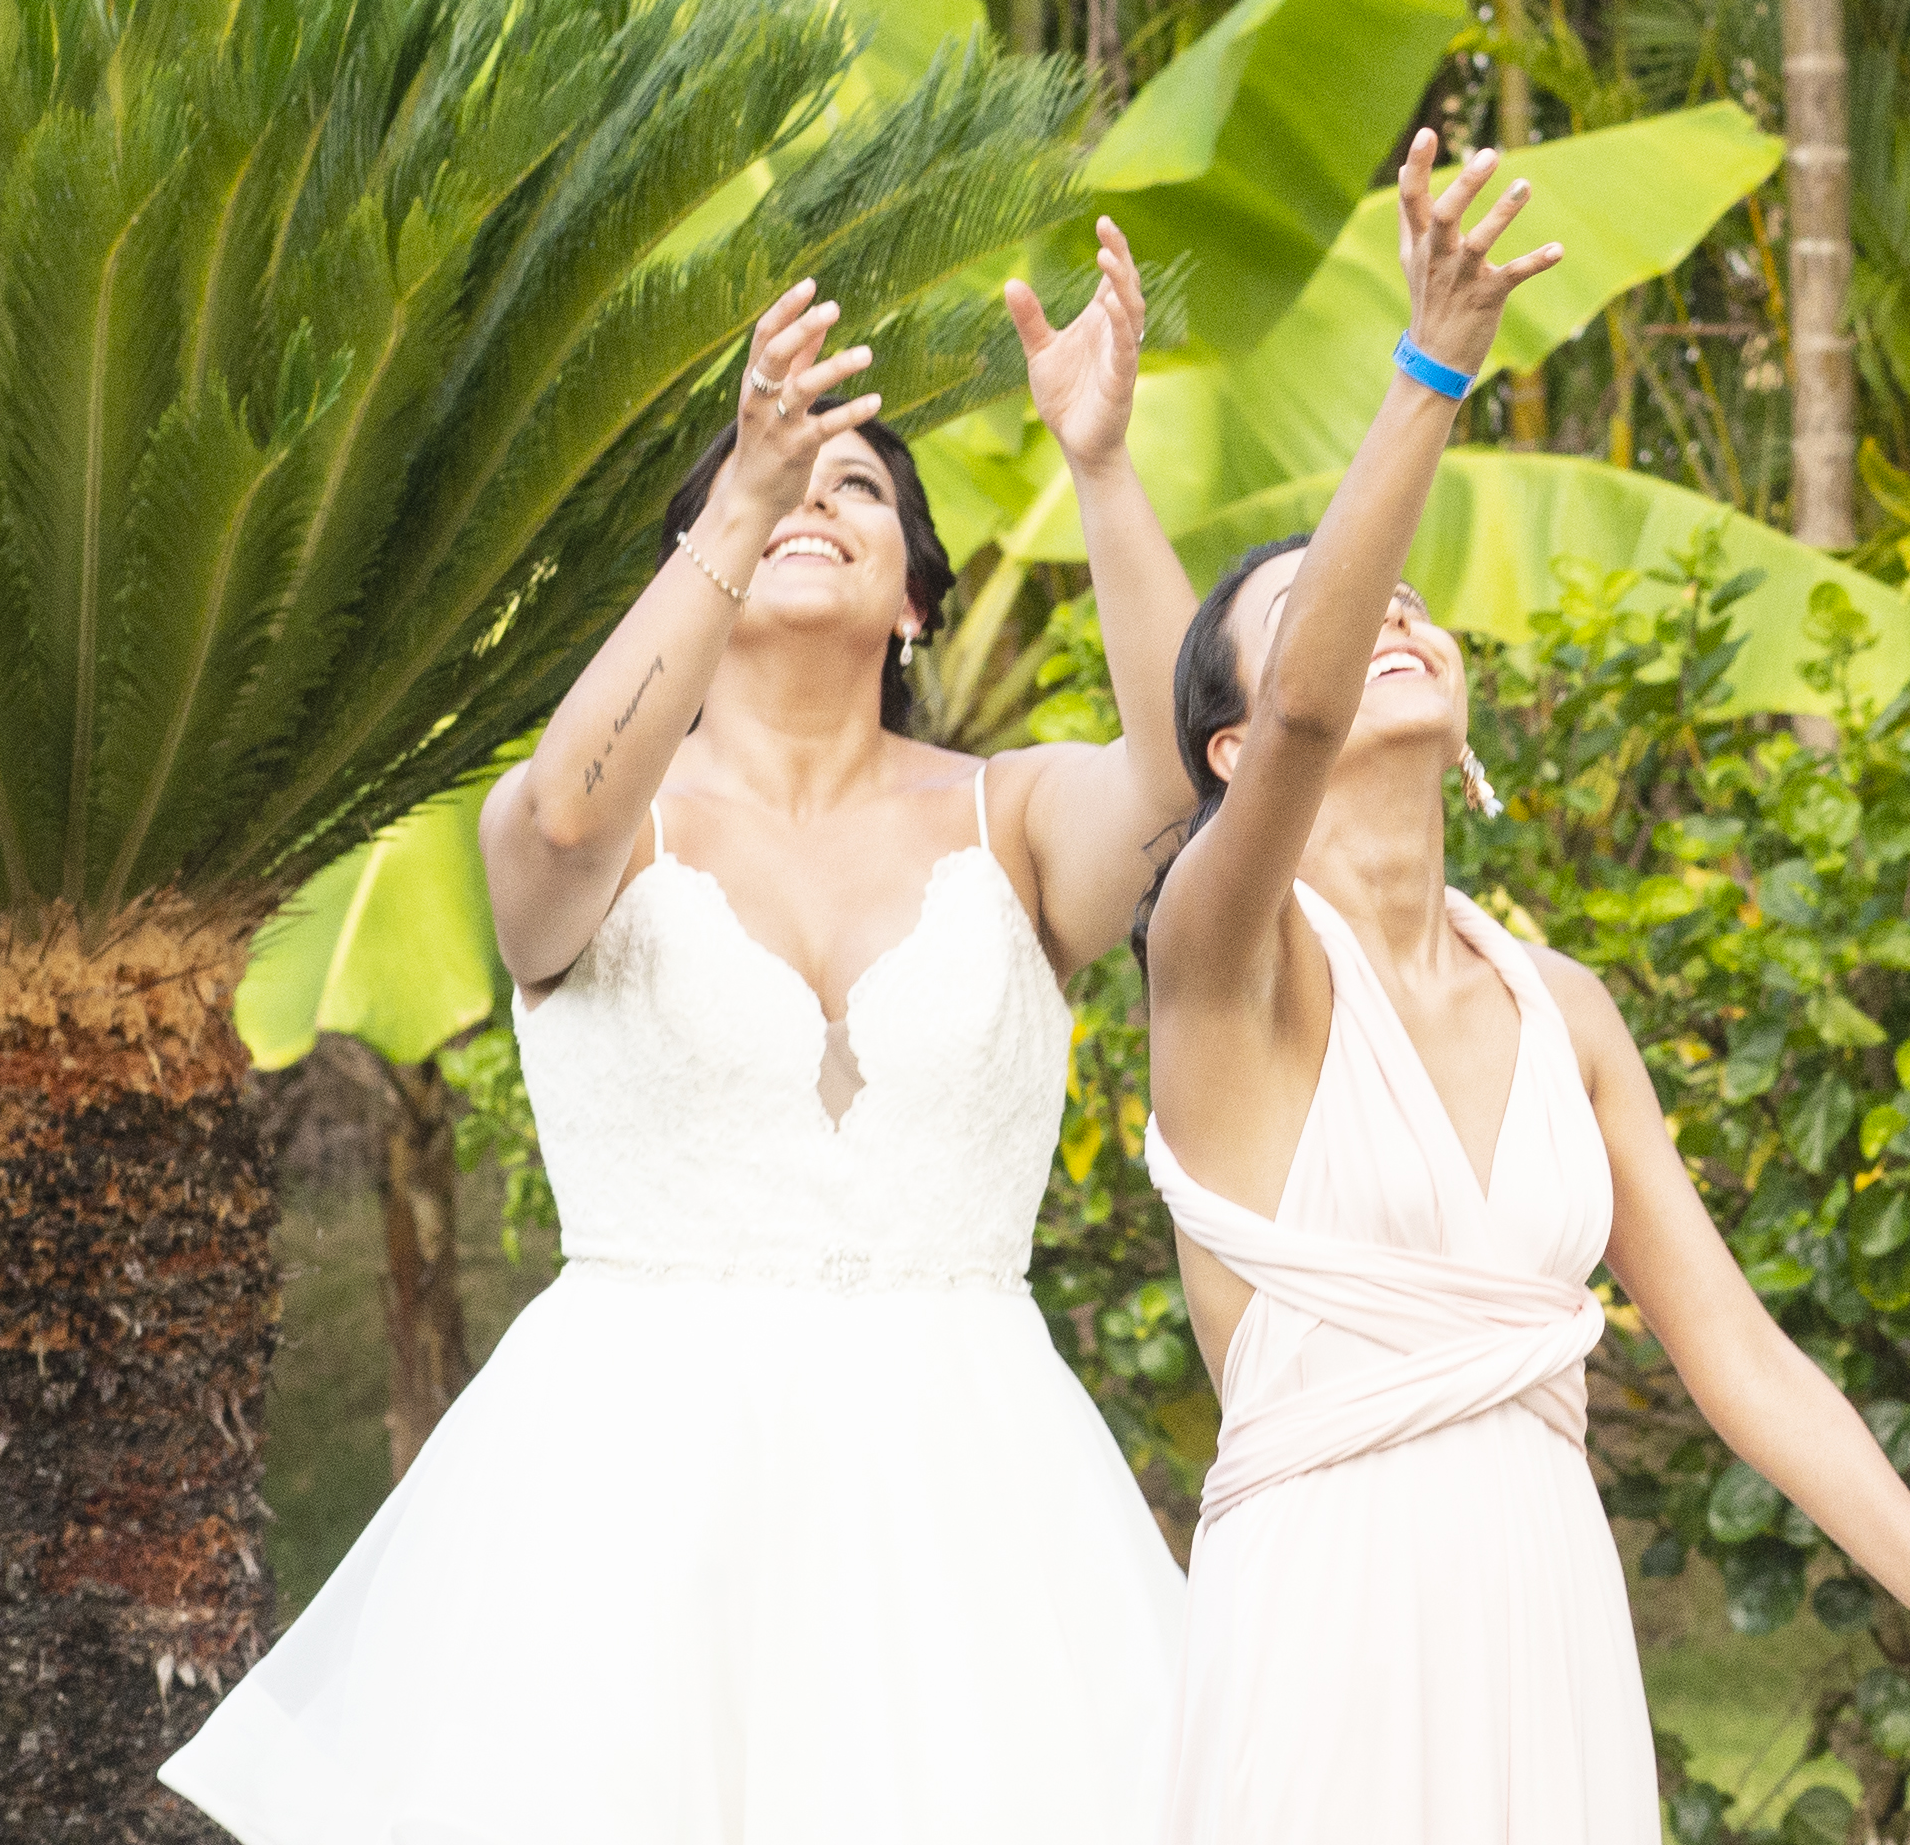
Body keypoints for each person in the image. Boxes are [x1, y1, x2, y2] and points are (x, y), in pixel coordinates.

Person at [164, 220, 1210, 1843]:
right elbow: (555, 832)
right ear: (695, 569)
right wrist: (742, 482)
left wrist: (1104, 465)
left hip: (968, 1493)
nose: (813, 500)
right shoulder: (604, 822)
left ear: (919, 606)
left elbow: (1179, 772)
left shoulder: (1015, 817)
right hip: (625, 1491)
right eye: (781, 481)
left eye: (860, 491)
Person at [1137, 133, 1910, 1845]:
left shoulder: (1560, 1005)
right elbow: (1299, 719)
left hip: (1543, 1609)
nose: (1394, 623)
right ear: (1229, 743)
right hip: (1327, 1614)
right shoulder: (1225, 969)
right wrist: (1430, 369)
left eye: (1407, 603)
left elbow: (1731, 1347)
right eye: (1328, 615)